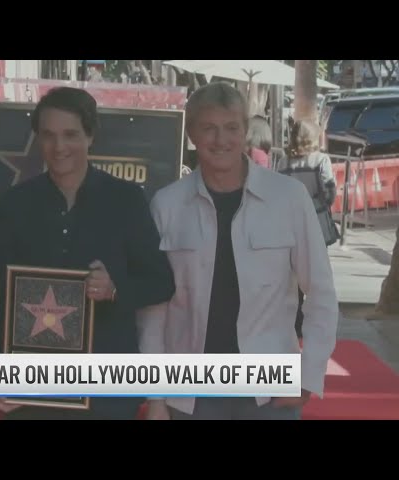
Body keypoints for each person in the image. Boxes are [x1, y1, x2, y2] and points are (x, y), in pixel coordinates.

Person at [137, 82, 339, 420]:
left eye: (231, 128)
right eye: (209, 128)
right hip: (189, 392)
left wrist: (309, 373)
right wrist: (156, 396)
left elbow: (321, 292)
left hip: (270, 389)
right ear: (192, 135)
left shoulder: (288, 198)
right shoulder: (167, 205)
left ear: (245, 131)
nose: (221, 140)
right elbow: (155, 311)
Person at [0, 86, 175, 420]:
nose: (59, 147)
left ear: (90, 136)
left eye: (70, 134)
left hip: (107, 391)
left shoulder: (126, 200)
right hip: (34, 390)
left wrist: (115, 289)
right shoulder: (17, 203)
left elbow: (161, 283)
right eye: (48, 135)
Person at [277, 119, 339, 338]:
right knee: (317, 272)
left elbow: (278, 192)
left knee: (293, 272)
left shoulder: (283, 162)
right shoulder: (321, 160)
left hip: (289, 222)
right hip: (317, 221)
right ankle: (318, 319)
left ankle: (296, 319)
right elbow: (329, 192)